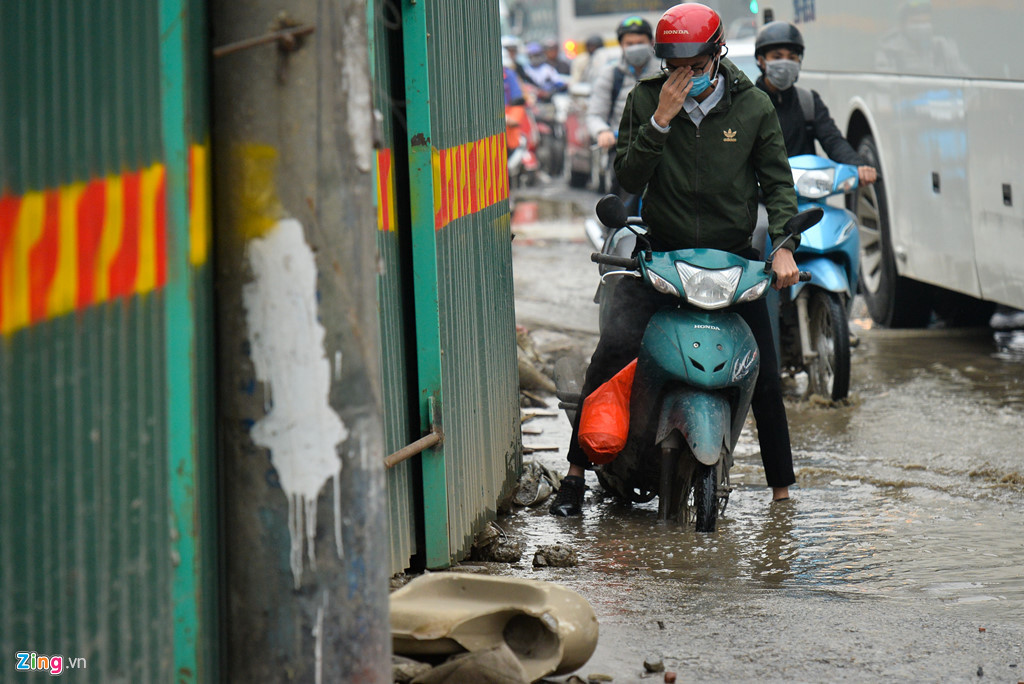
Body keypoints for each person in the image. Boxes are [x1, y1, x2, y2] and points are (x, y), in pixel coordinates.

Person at [550, 3, 800, 517]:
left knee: (765, 375)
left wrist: (782, 249)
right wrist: (660, 121)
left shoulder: (753, 106)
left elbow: (778, 184)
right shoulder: (645, 99)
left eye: (695, 64)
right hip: (662, 256)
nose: (685, 75)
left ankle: (782, 499)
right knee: (612, 350)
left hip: (733, 261)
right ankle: (574, 475)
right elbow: (628, 178)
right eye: (674, 66)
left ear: (717, 54)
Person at [754, 21, 877, 185]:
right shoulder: (747, 104)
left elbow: (832, 140)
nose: (785, 63)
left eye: (792, 57)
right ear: (761, 61)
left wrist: (858, 166)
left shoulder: (808, 102)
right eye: (777, 57)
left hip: (806, 191)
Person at [586, 16, 660, 204]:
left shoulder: (665, 71)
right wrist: (602, 132)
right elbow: (595, 114)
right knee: (619, 203)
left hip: (661, 151)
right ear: (621, 45)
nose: (635, 48)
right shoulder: (611, 74)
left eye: (640, 43)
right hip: (624, 151)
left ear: (651, 42)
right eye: (629, 44)